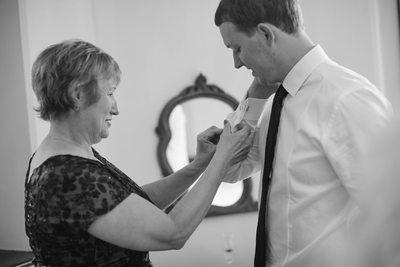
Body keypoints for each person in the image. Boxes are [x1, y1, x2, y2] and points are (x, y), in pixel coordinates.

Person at [24, 39, 254, 267]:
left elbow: (133, 207)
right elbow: (173, 233)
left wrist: (198, 166)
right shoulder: (68, 174)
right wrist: (222, 159)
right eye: (110, 93)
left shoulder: (64, 156)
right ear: (78, 95)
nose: (116, 107)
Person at [214, 0, 393, 266]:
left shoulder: (347, 99)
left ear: (266, 34)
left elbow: (392, 218)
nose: (237, 63)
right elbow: (230, 169)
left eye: (237, 49)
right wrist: (256, 97)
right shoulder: (277, 101)